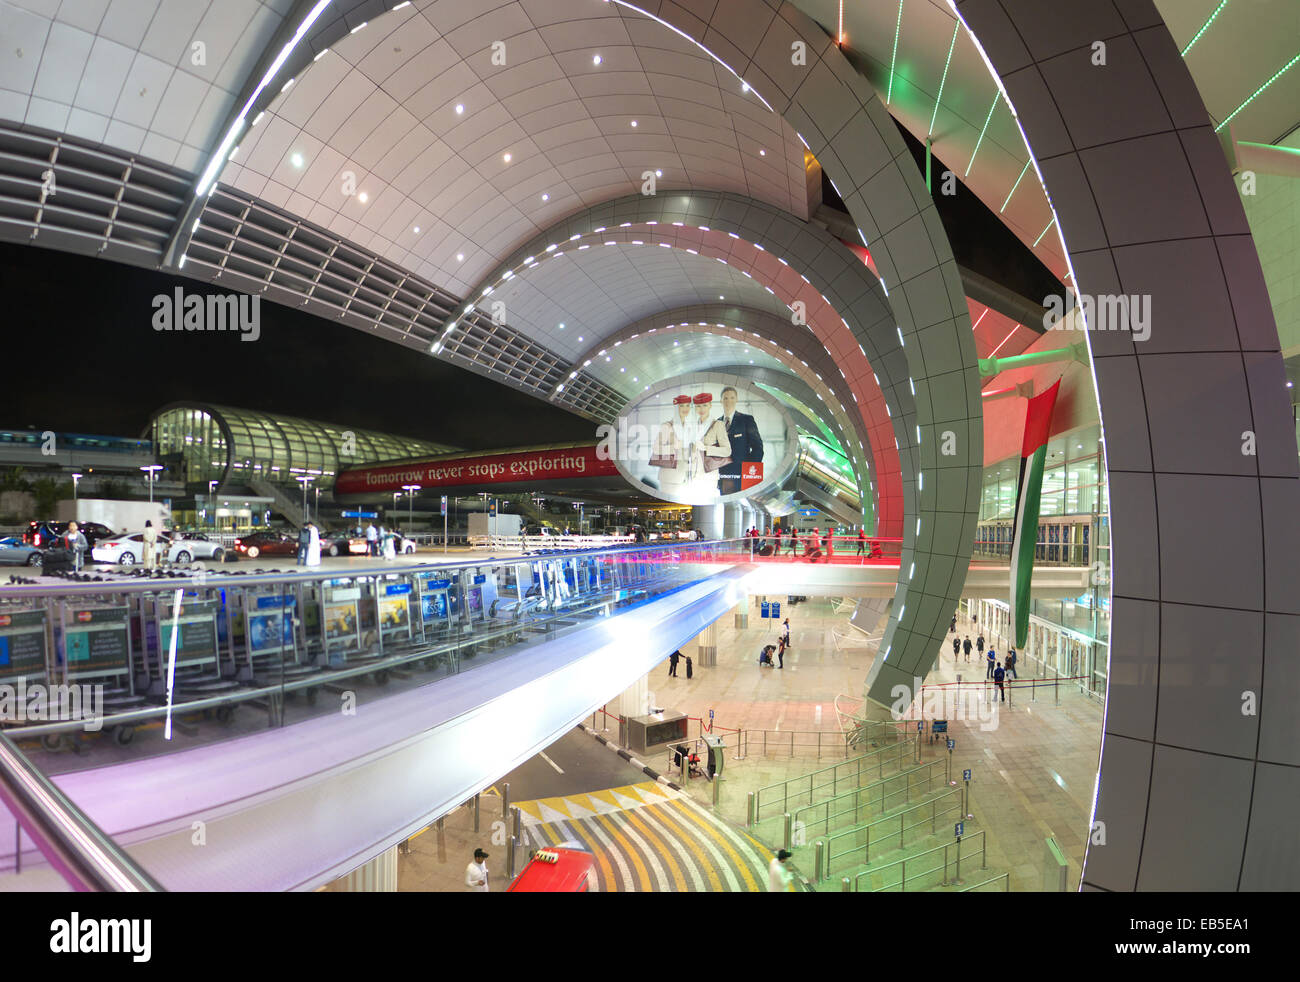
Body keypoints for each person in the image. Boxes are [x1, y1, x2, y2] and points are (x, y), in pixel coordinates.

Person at [684, 392, 731, 500]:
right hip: (691, 476)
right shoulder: (691, 426)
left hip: (708, 475)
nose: (701, 409)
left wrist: (706, 448)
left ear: (710, 405)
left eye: (705, 405)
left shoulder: (718, 425)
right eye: (698, 406)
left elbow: (727, 451)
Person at [717, 386, 763, 495]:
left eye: (732, 398)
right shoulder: (717, 423)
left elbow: (758, 448)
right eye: (726, 398)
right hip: (724, 477)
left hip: (742, 477)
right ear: (721, 401)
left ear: (736, 400)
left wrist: (749, 473)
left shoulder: (746, 420)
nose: (729, 401)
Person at [652, 394, 696, 496]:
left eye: (687, 405)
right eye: (682, 406)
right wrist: (674, 446)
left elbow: (690, 454)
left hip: (685, 476)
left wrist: (693, 451)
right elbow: (656, 449)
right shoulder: (667, 426)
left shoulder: (689, 428)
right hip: (670, 477)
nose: (685, 408)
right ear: (676, 408)